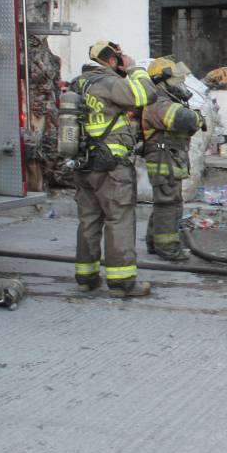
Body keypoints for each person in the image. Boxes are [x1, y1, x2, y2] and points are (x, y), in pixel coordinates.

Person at [72, 41, 158, 297]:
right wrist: (134, 68)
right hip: (111, 165)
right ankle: (122, 283)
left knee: (88, 219)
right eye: (118, 59)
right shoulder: (109, 83)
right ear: (112, 60)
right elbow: (145, 95)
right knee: (118, 219)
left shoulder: (78, 84)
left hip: (83, 162)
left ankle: (86, 277)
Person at [140, 56, 205, 261]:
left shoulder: (166, 100)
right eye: (175, 80)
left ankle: (154, 242)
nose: (179, 84)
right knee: (169, 203)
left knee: (164, 202)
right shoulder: (158, 102)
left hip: (168, 159)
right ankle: (168, 248)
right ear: (162, 81)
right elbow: (183, 120)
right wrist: (197, 117)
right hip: (163, 160)